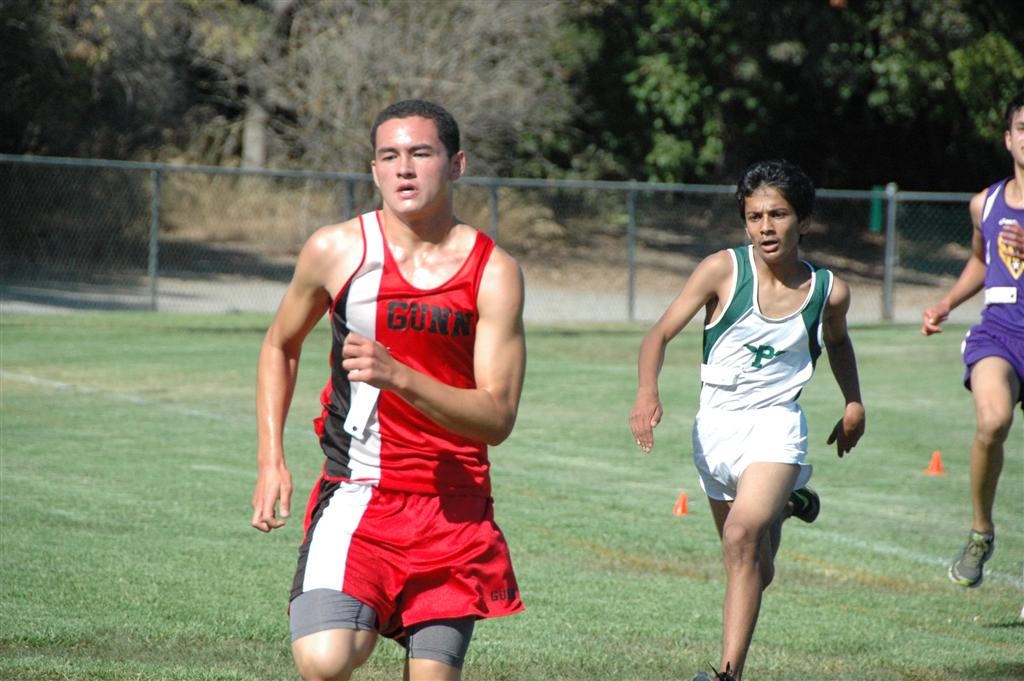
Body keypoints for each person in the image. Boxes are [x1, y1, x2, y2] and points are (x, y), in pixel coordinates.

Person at [251, 99, 526, 681]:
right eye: (390, 156)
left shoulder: (493, 271)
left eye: (421, 153)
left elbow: (497, 417)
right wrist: (271, 460)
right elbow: (279, 345)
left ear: (456, 165)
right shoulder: (336, 250)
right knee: (324, 659)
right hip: (359, 492)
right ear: (373, 169)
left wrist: (399, 376)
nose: (404, 168)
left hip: (454, 509)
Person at [629, 160, 865, 681]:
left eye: (778, 214)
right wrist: (647, 391)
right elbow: (658, 335)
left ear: (804, 221)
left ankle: (727, 676)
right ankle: (789, 504)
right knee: (755, 567)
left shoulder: (829, 291)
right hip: (715, 428)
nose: (765, 227)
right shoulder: (722, 270)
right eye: (755, 216)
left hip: (776, 425)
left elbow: (839, 341)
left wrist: (853, 402)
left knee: (741, 536)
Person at [921, 91, 1024, 589]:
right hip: (999, 333)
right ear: (1008, 139)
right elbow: (983, 262)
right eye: (1023, 129)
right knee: (993, 419)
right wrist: (946, 302)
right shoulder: (985, 203)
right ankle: (981, 532)